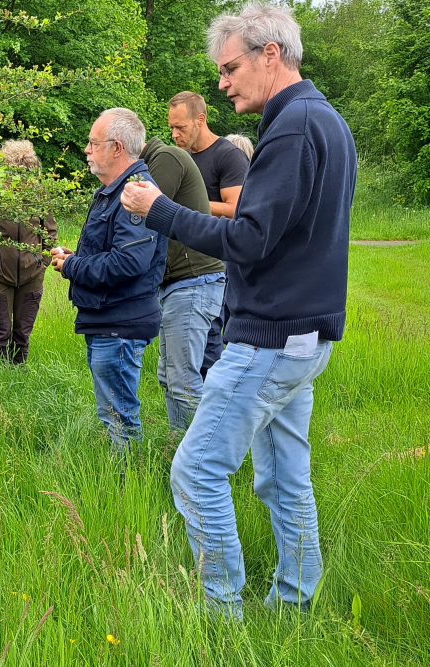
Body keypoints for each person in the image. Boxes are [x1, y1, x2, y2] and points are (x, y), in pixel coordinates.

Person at [122, 2, 357, 618]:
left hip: (272, 338)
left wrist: (159, 211)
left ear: (270, 55)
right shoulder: (325, 121)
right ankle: (293, 606)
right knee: (282, 477)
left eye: (229, 68)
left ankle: (220, 615)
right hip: (304, 335)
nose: (221, 83)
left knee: (195, 473)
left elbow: (249, 238)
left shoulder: (293, 128)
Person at [51, 109, 167, 455]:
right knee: (113, 414)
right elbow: (117, 253)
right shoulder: (114, 190)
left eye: (92, 143)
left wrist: (73, 266)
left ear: (117, 148)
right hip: (107, 319)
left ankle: (126, 488)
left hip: (120, 323)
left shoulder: (134, 193)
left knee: (120, 418)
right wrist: (76, 259)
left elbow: (130, 261)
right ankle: (123, 485)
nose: (86, 150)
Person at [139, 135, 223, 430]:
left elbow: (142, 217)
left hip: (193, 280)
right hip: (181, 283)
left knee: (183, 382)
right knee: (170, 377)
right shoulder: (156, 160)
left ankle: (200, 460)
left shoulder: (164, 159)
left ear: (120, 145)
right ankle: (180, 449)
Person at [168, 91, 251, 379]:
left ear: (200, 120)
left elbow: (236, 209)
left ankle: (212, 407)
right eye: (171, 128)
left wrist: (187, 203)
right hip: (186, 266)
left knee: (210, 341)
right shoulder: (181, 158)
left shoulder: (228, 156)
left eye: (181, 127)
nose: (175, 134)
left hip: (219, 264)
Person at [0, 140, 56, 364]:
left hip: (32, 274)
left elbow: (50, 233)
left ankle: (19, 377)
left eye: (26, 171)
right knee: (2, 335)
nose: (20, 178)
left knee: (22, 335)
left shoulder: (40, 196)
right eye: (16, 172)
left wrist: (42, 262)